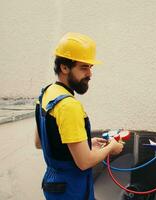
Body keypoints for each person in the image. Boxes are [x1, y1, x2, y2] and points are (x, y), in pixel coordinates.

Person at [34, 32, 124, 200]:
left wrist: (86, 143)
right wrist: (111, 148)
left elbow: (41, 143)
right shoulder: (69, 105)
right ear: (64, 67)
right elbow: (84, 162)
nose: (90, 74)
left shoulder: (46, 95)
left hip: (53, 187)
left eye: (90, 67)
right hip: (72, 190)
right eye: (84, 67)